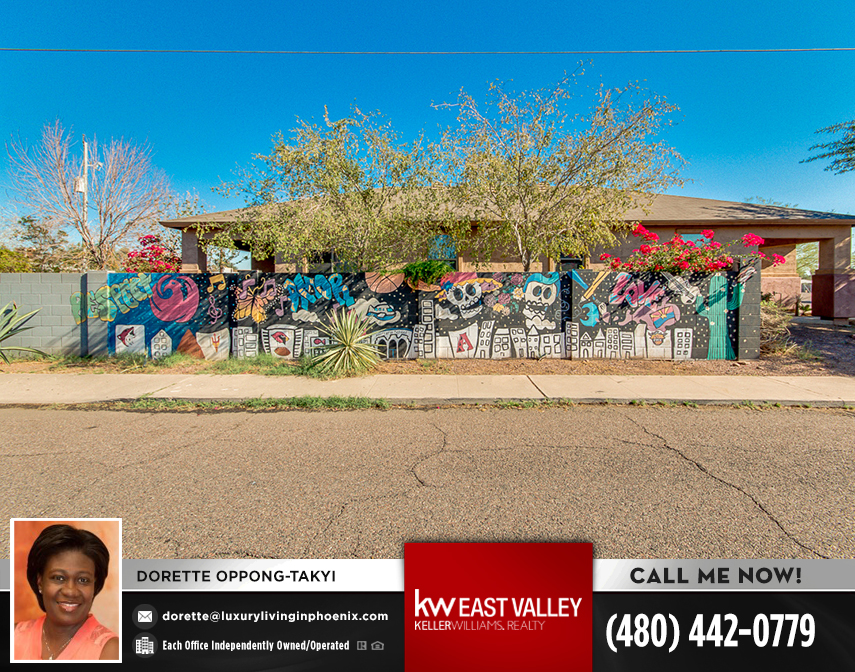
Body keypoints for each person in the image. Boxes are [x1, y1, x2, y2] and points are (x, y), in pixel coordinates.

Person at [14, 524, 119, 661]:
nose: (70, 591)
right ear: (40, 582)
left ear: (95, 586)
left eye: (83, 580)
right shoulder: (13, 635)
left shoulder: (111, 650)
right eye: (59, 578)